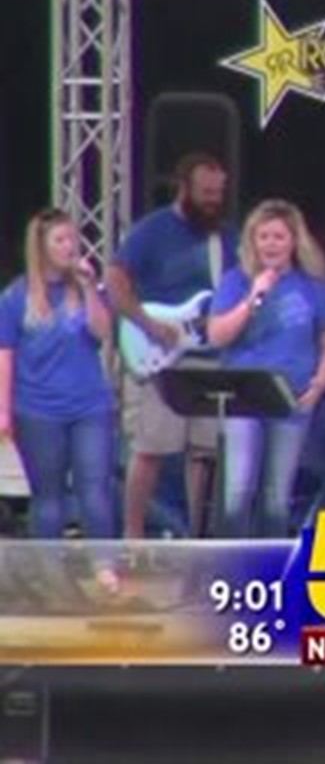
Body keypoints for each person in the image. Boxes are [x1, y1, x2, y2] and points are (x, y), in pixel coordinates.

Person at [108, 152, 236, 539]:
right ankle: (133, 536)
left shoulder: (226, 237)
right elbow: (115, 281)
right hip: (157, 357)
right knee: (149, 450)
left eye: (219, 192)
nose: (213, 199)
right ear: (184, 189)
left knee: (204, 455)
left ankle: (196, 536)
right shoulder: (152, 230)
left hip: (207, 358)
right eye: (206, 192)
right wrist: (148, 323)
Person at [205, 200, 325, 539]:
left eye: (278, 236)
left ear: (294, 241)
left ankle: (270, 575)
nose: (270, 244)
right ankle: (234, 574)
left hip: (292, 399)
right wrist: (253, 298)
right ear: (252, 241)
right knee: (238, 492)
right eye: (263, 236)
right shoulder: (236, 281)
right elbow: (217, 336)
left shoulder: (313, 286)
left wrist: (318, 386)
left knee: (277, 498)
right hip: (245, 396)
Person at [0, 210, 119, 570]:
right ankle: (49, 577)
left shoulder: (85, 290)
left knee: (95, 492)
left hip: (89, 405)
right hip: (37, 408)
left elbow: (101, 332)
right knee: (48, 497)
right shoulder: (15, 297)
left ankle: (105, 571)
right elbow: (5, 356)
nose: (70, 247)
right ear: (41, 247)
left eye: (73, 239)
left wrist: (88, 287)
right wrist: (3, 410)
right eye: (60, 240)